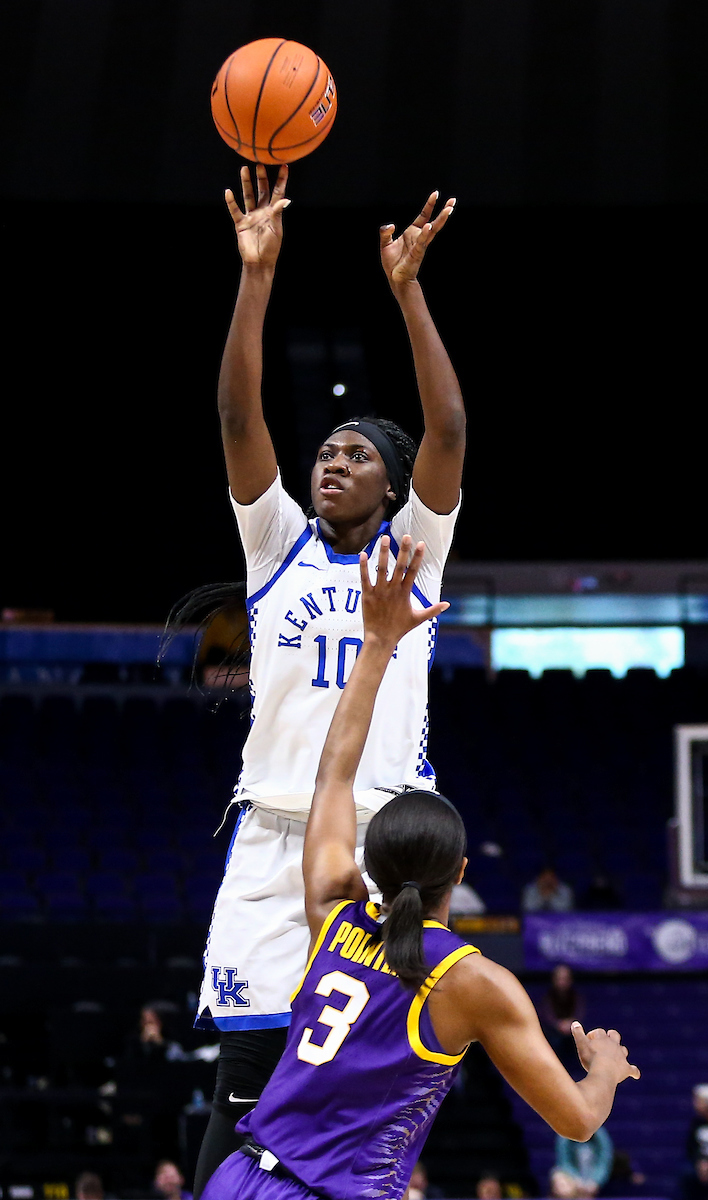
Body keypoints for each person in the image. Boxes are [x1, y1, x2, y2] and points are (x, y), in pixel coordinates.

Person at [200, 536, 640, 1200]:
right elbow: (577, 1121)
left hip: (239, 1176)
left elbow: (333, 774)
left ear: (367, 861)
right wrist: (603, 1069)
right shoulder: (472, 981)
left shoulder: (333, 911)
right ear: (459, 873)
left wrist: (376, 645)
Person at [185, 163, 467, 1196]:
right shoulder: (274, 548)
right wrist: (254, 276)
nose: (329, 461)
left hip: (382, 838)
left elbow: (446, 432)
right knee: (247, 1084)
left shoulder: (414, 556)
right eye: (324, 451)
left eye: (352, 454)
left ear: (391, 488)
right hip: (271, 837)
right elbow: (233, 416)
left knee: (363, 1091)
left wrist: (407, 290)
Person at [539, 965, 586, 1068]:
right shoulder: (548, 997)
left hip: (572, 1030)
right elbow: (547, 1015)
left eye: (565, 979)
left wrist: (571, 1023)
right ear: (554, 980)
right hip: (553, 1032)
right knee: (554, 1042)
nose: (562, 982)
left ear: (570, 980)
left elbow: (579, 1012)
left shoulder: (576, 996)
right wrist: (558, 1024)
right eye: (559, 979)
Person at [550, 1127, 614, 1198]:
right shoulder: (564, 1134)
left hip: (591, 1178)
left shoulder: (600, 1135)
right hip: (572, 1177)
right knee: (561, 1182)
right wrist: (575, 1179)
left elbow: (603, 1162)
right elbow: (564, 1162)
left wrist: (595, 1180)